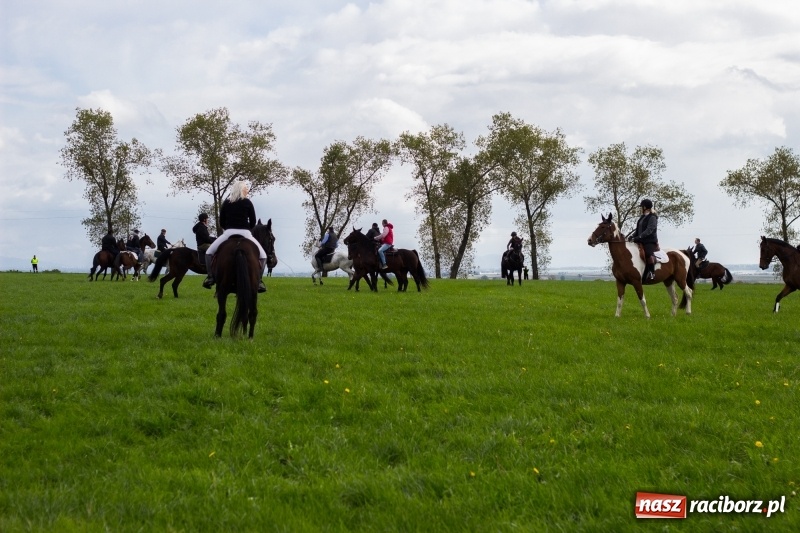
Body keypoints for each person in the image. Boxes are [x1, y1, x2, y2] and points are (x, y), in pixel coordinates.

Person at [202, 181, 268, 293]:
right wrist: (247, 229)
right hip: (246, 233)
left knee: (209, 253)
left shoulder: (227, 202)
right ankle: (258, 282)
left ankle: (210, 278)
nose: (247, 190)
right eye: (246, 188)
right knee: (263, 256)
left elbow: (221, 221)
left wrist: (227, 228)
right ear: (241, 189)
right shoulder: (248, 202)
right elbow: (253, 221)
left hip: (228, 233)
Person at [631, 199, 659, 283]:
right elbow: (638, 229)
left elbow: (649, 230)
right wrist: (632, 236)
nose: (640, 209)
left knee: (648, 253)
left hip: (649, 241)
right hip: (640, 240)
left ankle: (651, 272)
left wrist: (639, 236)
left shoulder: (652, 217)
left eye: (641, 207)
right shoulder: (642, 217)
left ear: (645, 207)